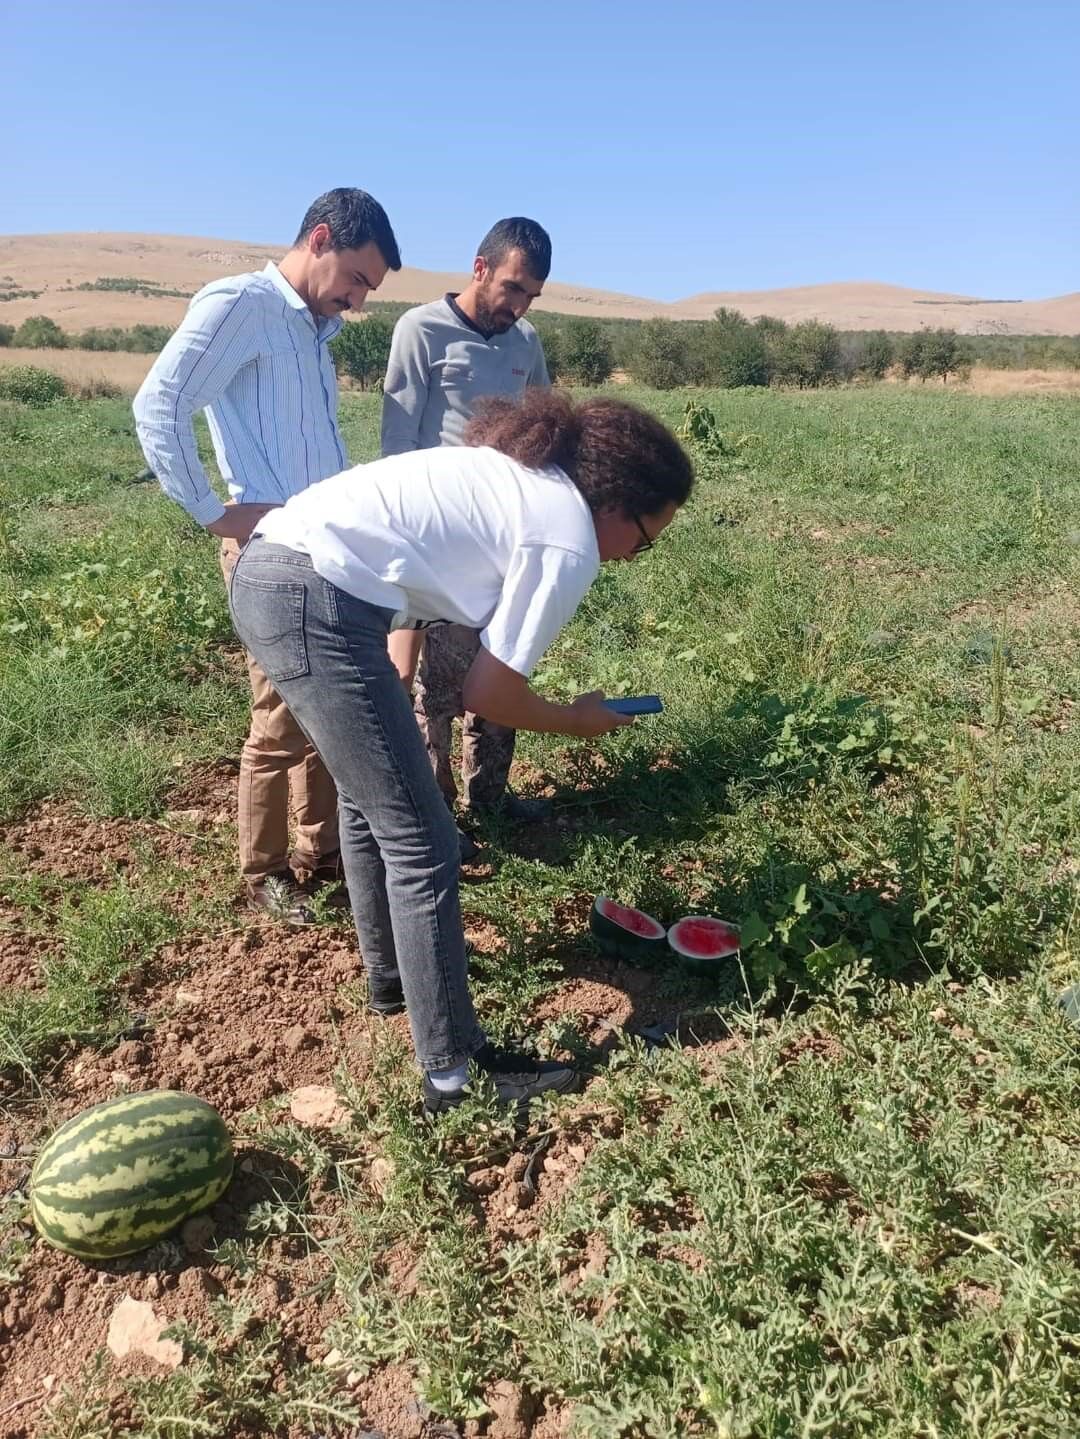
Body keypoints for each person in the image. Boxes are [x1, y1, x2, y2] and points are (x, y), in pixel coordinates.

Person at [227, 388, 694, 1115]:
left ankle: (391, 980)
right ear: (617, 503)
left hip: (277, 573)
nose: (637, 554)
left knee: (368, 796)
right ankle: (455, 1075)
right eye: (647, 536)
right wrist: (576, 718)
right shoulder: (565, 535)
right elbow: (490, 692)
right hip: (316, 599)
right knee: (425, 843)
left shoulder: (520, 478)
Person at [133, 188, 401, 925]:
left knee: (329, 709)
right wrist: (213, 511)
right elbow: (158, 403)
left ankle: (322, 850)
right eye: (355, 277)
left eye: (367, 289)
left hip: (325, 544)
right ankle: (263, 870)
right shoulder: (241, 305)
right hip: (272, 554)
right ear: (320, 238)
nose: (355, 298)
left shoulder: (310, 331)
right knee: (280, 715)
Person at [381, 219, 553, 852]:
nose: (518, 306)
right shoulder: (420, 331)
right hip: (437, 540)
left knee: (502, 666)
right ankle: (438, 815)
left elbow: (543, 429)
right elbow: (397, 442)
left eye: (531, 295)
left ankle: (493, 801)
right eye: (511, 288)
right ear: (479, 268)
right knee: (434, 688)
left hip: (505, 541)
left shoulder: (525, 341)